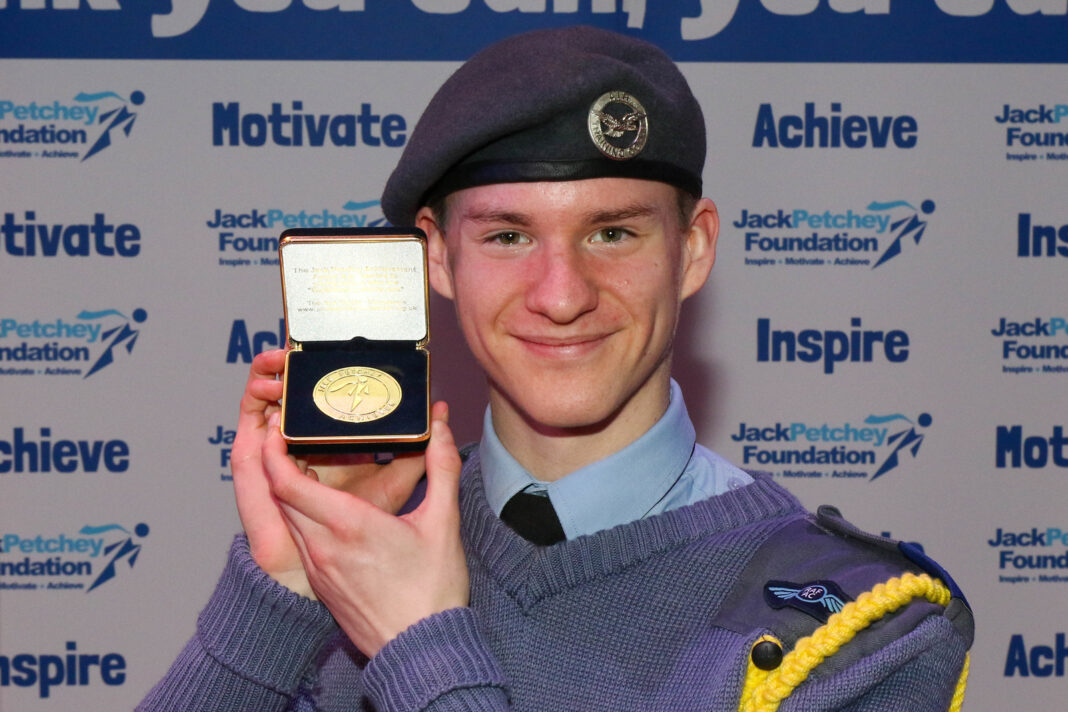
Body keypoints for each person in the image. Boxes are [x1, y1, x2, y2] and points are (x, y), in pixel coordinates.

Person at [138, 26, 972, 712]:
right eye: (508, 236)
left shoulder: (857, 627)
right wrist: (284, 585)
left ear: (693, 250)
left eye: (613, 233)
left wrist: (421, 649)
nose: (562, 295)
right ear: (436, 259)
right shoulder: (357, 560)